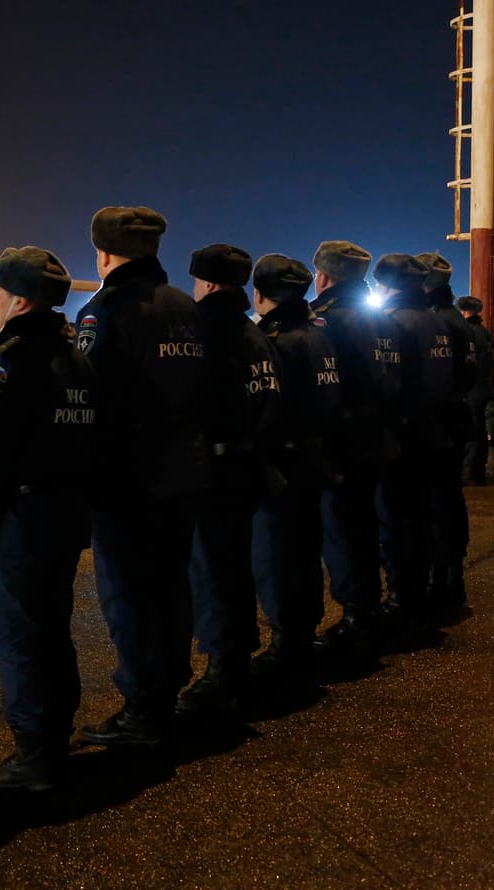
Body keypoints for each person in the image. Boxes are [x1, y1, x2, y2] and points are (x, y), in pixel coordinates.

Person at [73, 206, 211, 747]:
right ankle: (169, 691)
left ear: (104, 253)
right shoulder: (185, 307)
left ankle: (142, 707)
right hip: (185, 472)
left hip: (129, 478)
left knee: (128, 594)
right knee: (173, 587)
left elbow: (91, 394)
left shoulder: (104, 309)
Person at [0, 246, 97, 791]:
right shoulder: (75, 356)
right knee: (53, 628)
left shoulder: (10, 358)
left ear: (19, 299)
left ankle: (35, 755)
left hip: (21, 517)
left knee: (19, 634)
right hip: (66, 508)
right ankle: (53, 736)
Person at [176, 244, 282, 718]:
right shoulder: (254, 334)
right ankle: (237, 657)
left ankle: (224, 669)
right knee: (236, 568)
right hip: (247, 467)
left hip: (211, 471)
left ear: (208, 283)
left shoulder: (202, 332)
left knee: (213, 571)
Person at [249, 255, 341, 696]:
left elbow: (269, 410)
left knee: (278, 558)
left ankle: (288, 647)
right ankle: (302, 637)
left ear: (260, 294)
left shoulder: (277, 340)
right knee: (305, 554)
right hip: (315, 458)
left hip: (284, 465)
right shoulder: (318, 334)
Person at [308, 241, 399, 658]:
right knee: (366, 527)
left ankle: (355, 617)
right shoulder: (380, 319)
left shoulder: (328, 321)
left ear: (323, 276)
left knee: (342, 530)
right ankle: (370, 608)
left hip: (343, 443)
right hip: (378, 437)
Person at [372, 254, 458, 633]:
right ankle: (424, 595)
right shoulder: (438, 321)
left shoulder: (391, 323)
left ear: (387, 284)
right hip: (435, 433)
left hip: (404, 437)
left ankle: (402, 603)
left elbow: (388, 385)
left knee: (397, 523)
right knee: (424, 519)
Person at [416, 253, 476, 614]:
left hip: (436, 425)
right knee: (449, 503)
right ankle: (450, 579)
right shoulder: (457, 319)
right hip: (454, 420)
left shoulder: (435, 321)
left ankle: (441, 583)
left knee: (436, 506)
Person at [457, 295, 494, 485]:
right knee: (480, 429)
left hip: (472, 389)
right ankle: (478, 470)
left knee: (471, 431)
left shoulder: (468, 332)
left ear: (464, 311)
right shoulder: (485, 332)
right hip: (483, 387)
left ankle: (470, 473)